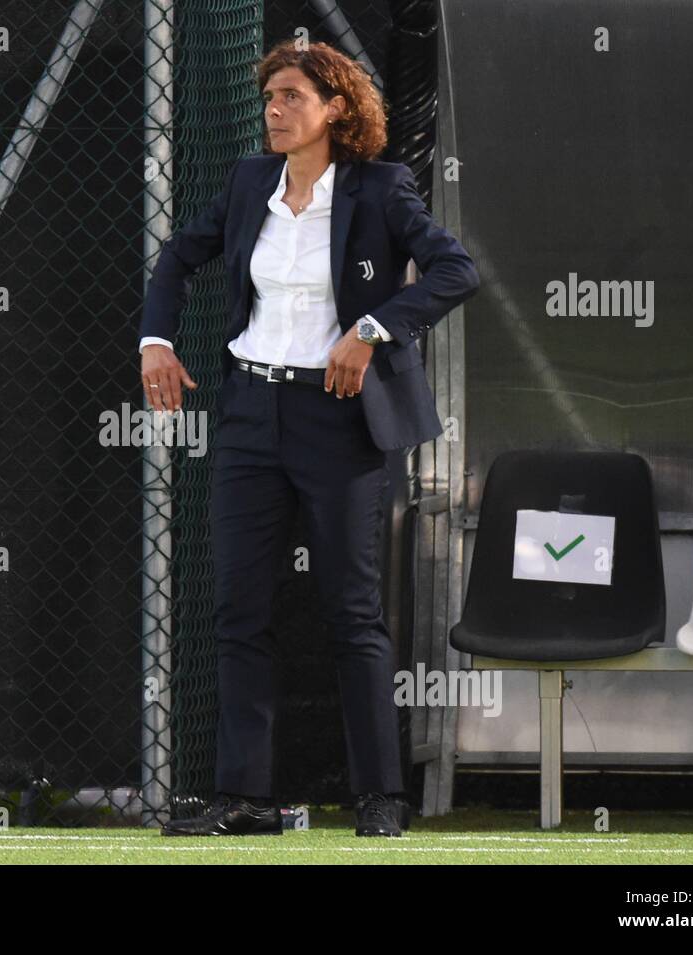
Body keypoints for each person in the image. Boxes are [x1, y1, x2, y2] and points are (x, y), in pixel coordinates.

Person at [140, 39, 480, 837]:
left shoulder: (381, 187)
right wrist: (156, 342)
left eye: (292, 96)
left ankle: (380, 798)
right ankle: (244, 799)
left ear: (335, 108)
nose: (275, 110)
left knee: (352, 610)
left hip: (339, 420)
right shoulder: (250, 181)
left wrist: (372, 328)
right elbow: (178, 258)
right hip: (251, 416)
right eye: (270, 98)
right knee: (238, 610)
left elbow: (454, 270)